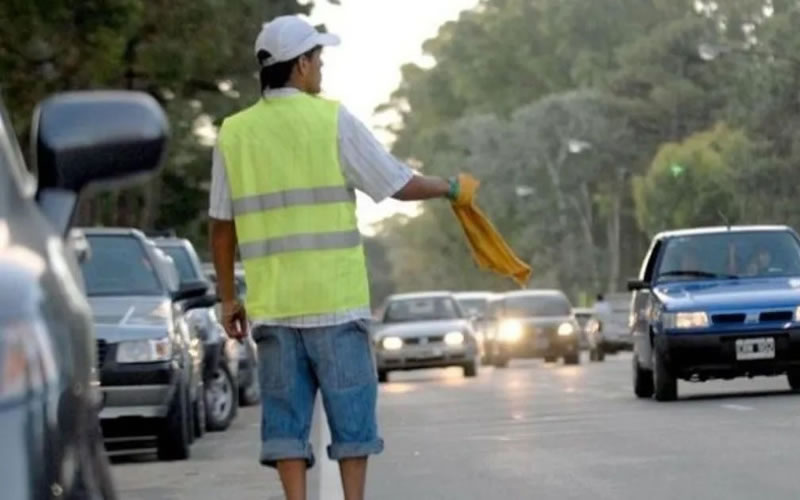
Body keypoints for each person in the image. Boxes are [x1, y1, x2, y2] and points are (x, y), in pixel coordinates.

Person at [208, 15, 469, 500]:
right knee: (353, 421)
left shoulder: (233, 134)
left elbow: (222, 228)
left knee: (285, 422)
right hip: (336, 303)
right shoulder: (331, 119)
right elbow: (395, 183)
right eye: (319, 59)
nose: (322, 69)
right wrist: (449, 188)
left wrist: (228, 301)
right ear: (301, 65)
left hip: (274, 308)